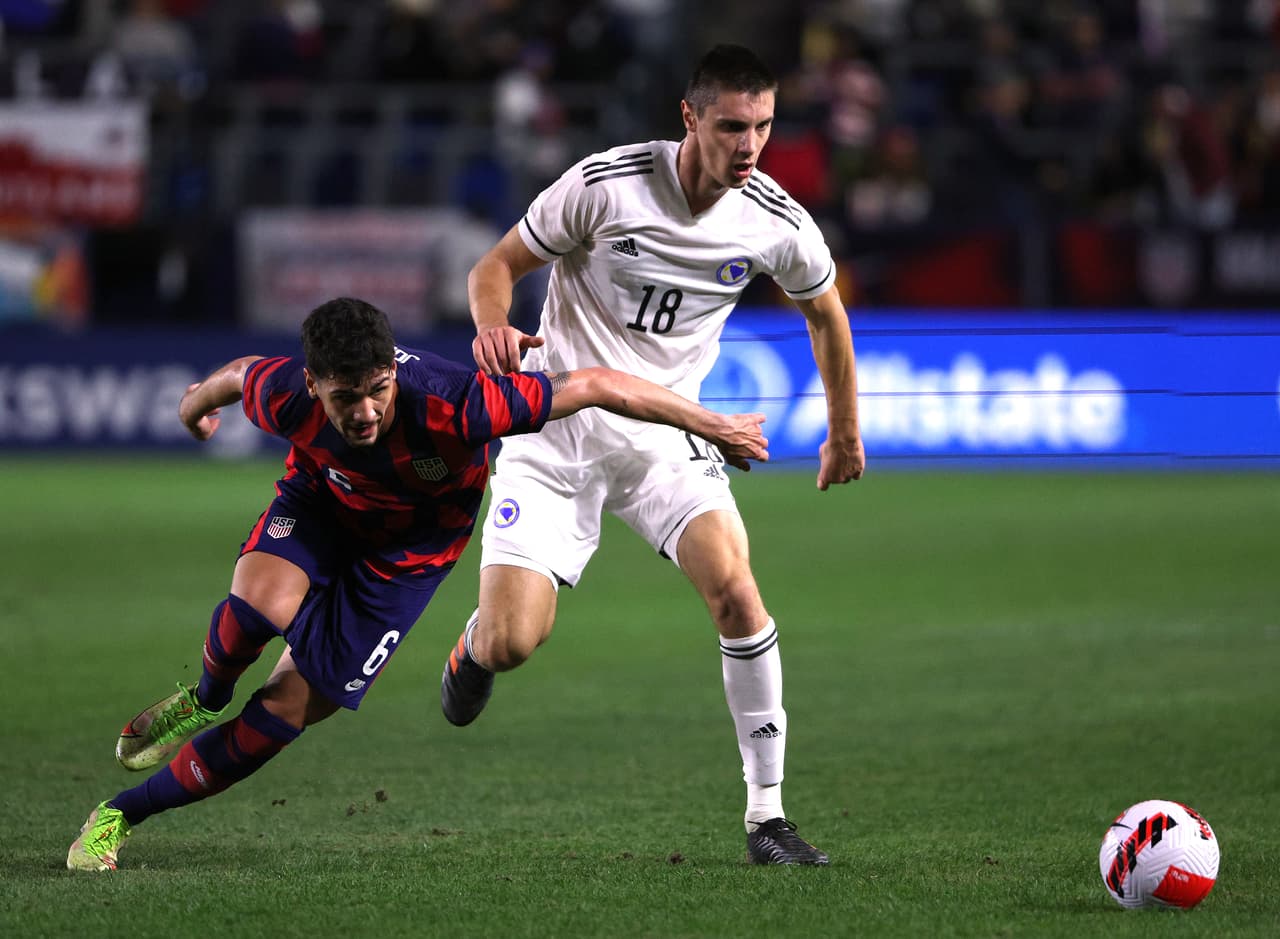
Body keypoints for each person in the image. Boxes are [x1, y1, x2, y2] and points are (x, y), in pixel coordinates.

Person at [66, 296, 768, 872]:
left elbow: (597, 386)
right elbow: (238, 373)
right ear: (313, 385)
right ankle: (204, 696)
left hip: (405, 556)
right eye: (346, 398)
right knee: (261, 603)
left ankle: (118, 815)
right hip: (320, 505)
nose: (366, 411)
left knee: (280, 714)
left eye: (377, 391)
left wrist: (713, 426)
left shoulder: (457, 405)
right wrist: (195, 407)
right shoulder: (286, 393)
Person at [438, 44, 865, 866]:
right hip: (552, 427)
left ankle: (767, 818)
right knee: (513, 640)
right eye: (734, 125)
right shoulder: (606, 185)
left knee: (738, 593)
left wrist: (844, 430)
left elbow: (827, 314)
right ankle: (475, 644)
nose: (750, 145)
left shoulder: (774, 219)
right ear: (691, 118)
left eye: (765, 126)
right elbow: (497, 264)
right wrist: (492, 322)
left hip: (667, 433)